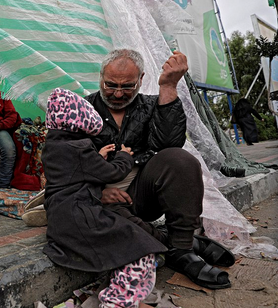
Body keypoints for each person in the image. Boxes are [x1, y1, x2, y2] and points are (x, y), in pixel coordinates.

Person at [84, 49, 233, 289]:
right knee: (104, 226)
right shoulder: (83, 109)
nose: (119, 93)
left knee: (180, 160)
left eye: (128, 86)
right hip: (94, 200)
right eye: (110, 85)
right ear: (100, 77)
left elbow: (169, 144)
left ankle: (182, 250)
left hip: (137, 195)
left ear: (141, 80)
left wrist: (168, 86)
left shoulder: (151, 105)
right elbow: (66, 162)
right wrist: (95, 193)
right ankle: (180, 243)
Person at [42, 88, 166, 308]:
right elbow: (113, 173)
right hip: (80, 217)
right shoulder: (80, 148)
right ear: (81, 121)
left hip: (59, 218)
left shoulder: (53, 146)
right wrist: (124, 157)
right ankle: (117, 302)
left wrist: (97, 158)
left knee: (125, 237)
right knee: (136, 244)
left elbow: (76, 172)